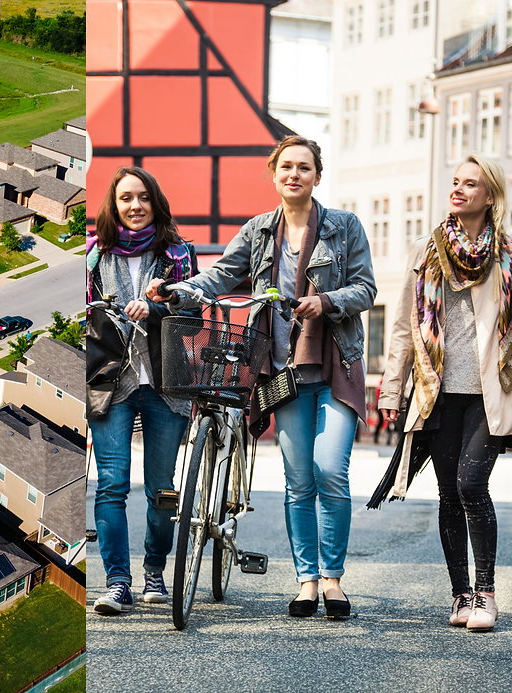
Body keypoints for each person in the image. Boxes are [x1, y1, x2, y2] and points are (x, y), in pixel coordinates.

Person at [149, 136, 376, 619]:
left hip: (335, 364)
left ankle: (333, 580)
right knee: (299, 480)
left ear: (317, 176)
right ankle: (307, 581)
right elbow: (220, 276)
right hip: (281, 370)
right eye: (286, 166)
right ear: (274, 175)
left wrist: (326, 301)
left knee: (330, 471)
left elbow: (365, 288)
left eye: (304, 167)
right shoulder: (257, 231)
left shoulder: (344, 226)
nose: (295, 174)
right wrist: (179, 290)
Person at [379, 153, 512, 632]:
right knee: (448, 493)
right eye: (456, 181)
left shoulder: (509, 256)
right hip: (437, 392)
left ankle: (485, 593)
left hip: (493, 392)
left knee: (471, 485)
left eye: (470, 183)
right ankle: (460, 594)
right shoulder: (426, 251)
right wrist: (391, 390)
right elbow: (404, 326)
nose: (458, 189)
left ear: (490, 196)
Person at [86, 166, 198, 614]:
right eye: (126, 198)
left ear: (156, 202)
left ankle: (155, 570)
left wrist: (157, 308)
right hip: (111, 381)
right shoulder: (93, 256)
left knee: (161, 489)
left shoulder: (178, 256)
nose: (135, 206)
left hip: (165, 383)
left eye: (144, 197)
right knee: (111, 485)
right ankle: (118, 582)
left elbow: (194, 317)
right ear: (113, 206)